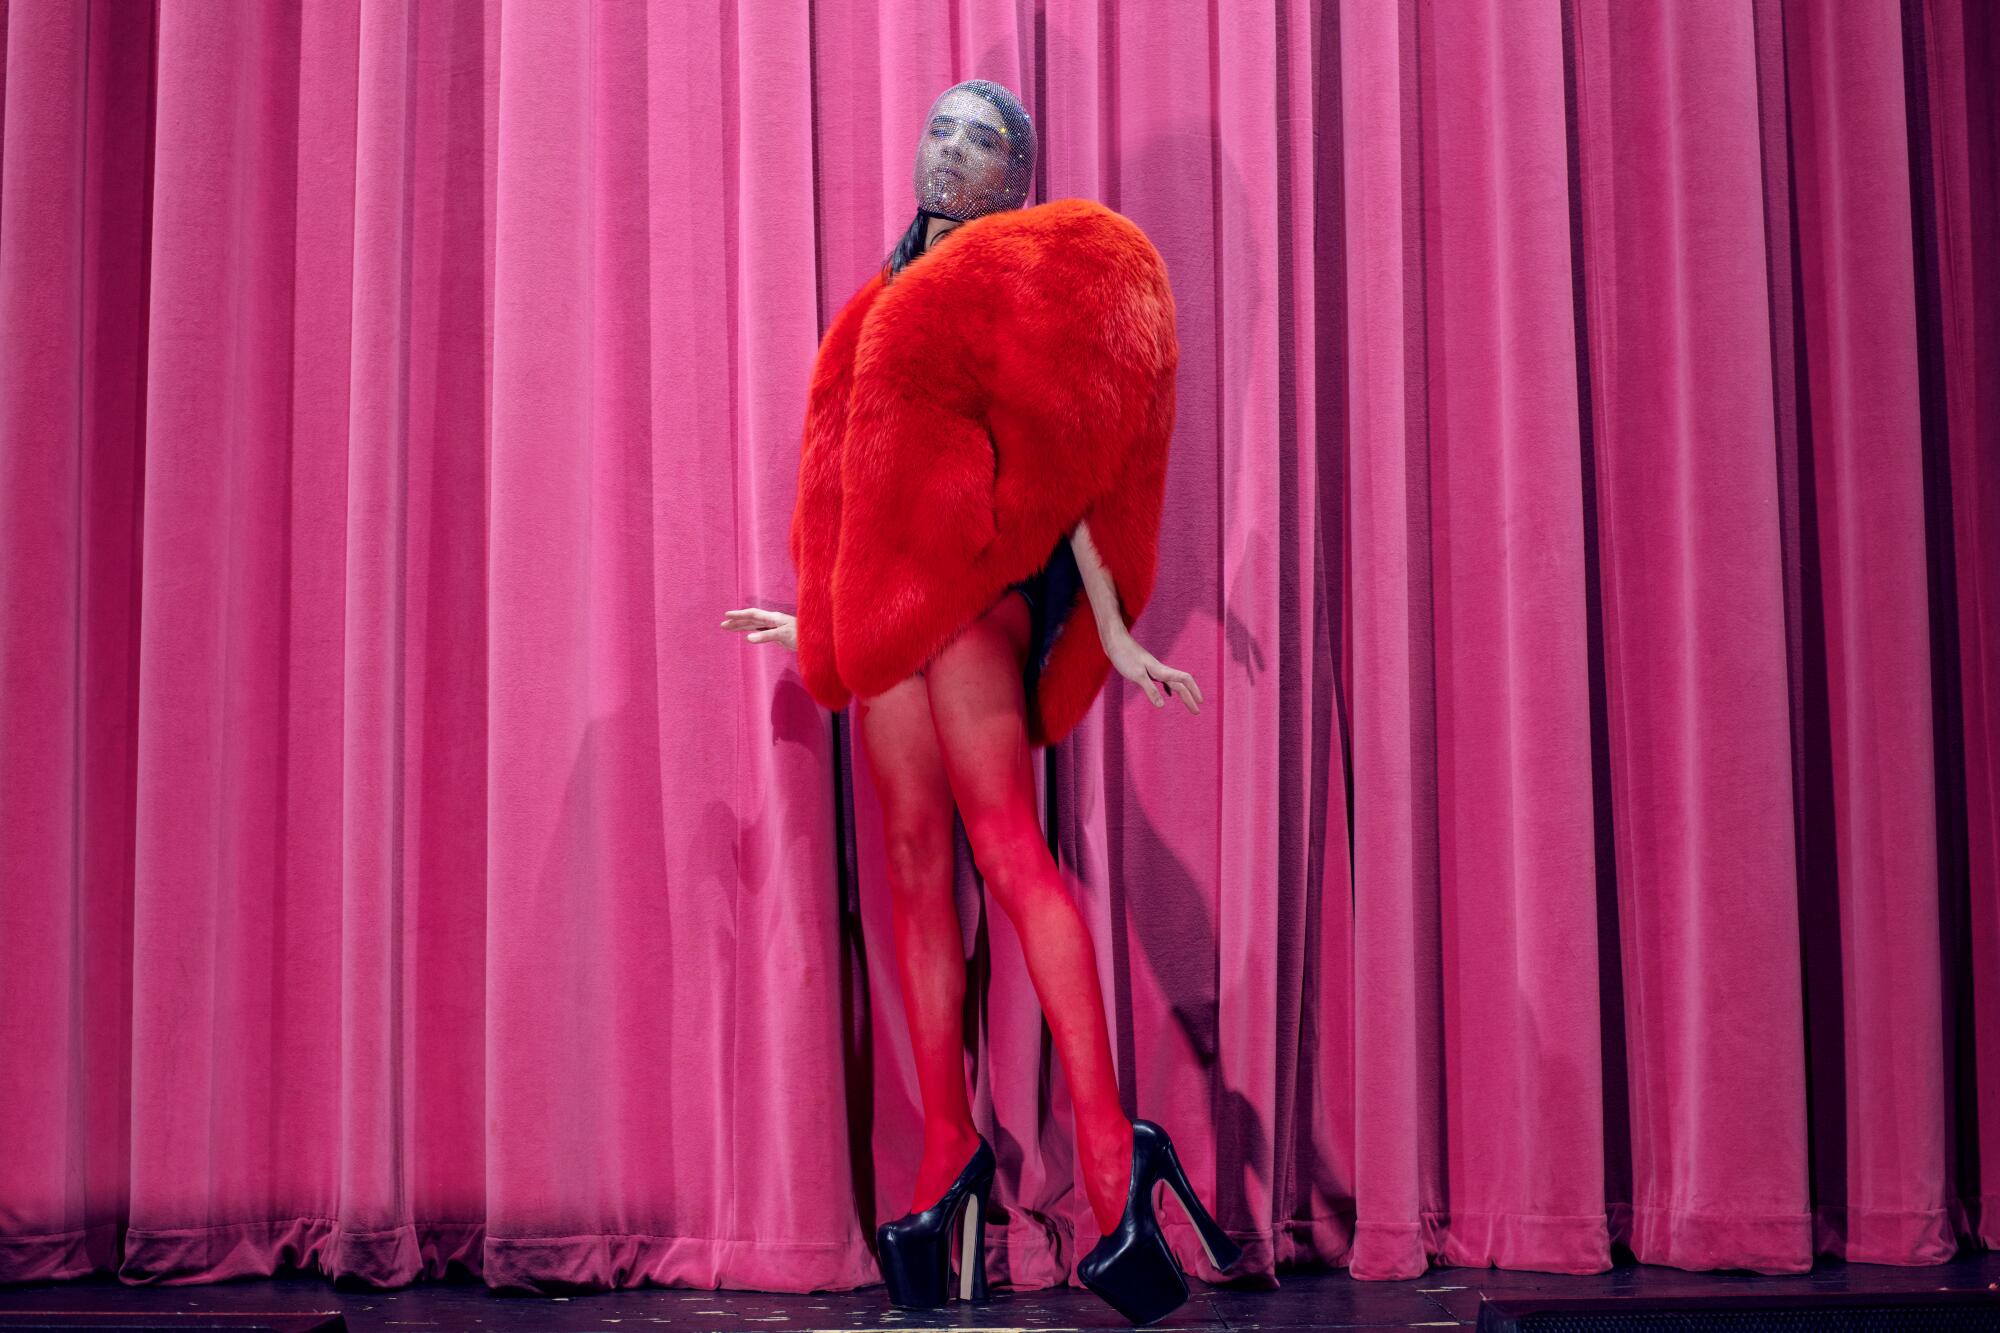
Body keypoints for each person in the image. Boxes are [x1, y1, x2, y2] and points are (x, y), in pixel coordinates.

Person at [721, 79, 1241, 1327]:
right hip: (885, 615)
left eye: (983, 137)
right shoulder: (878, 303)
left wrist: (1111, 630)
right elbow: (854, 489)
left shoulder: (1022, 275)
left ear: (1016, 176)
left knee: (1008, 855)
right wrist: (823, 616)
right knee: (909, 871)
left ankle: (1114, 1155)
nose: (952, 149)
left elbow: (1065, 463)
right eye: (941, 127)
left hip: (971, 600)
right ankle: (946, 1155)